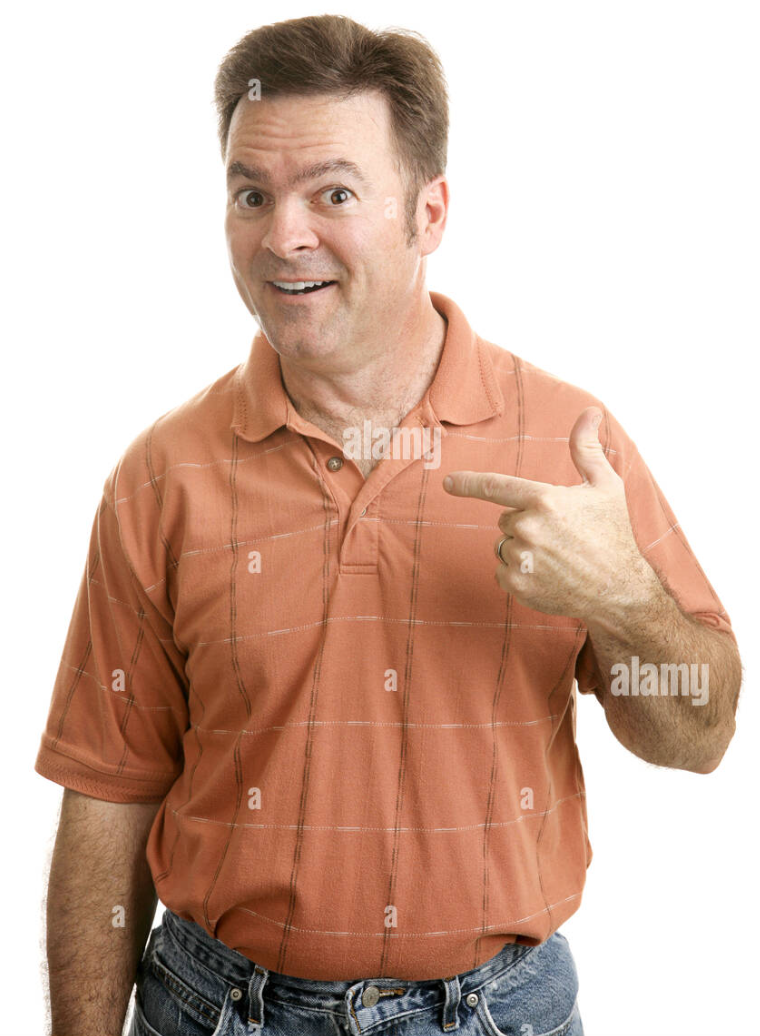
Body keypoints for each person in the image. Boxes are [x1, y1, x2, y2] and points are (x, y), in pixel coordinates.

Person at [35, 14, 742, 1036]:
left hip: (496, 1014)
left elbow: (700, 734)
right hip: (210, 1007)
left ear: (428, 212)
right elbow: (107, 794)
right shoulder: (161, 476)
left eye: (333, 193)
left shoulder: (567, 442)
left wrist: (622, 599)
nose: (283, 236)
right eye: (251, 194)